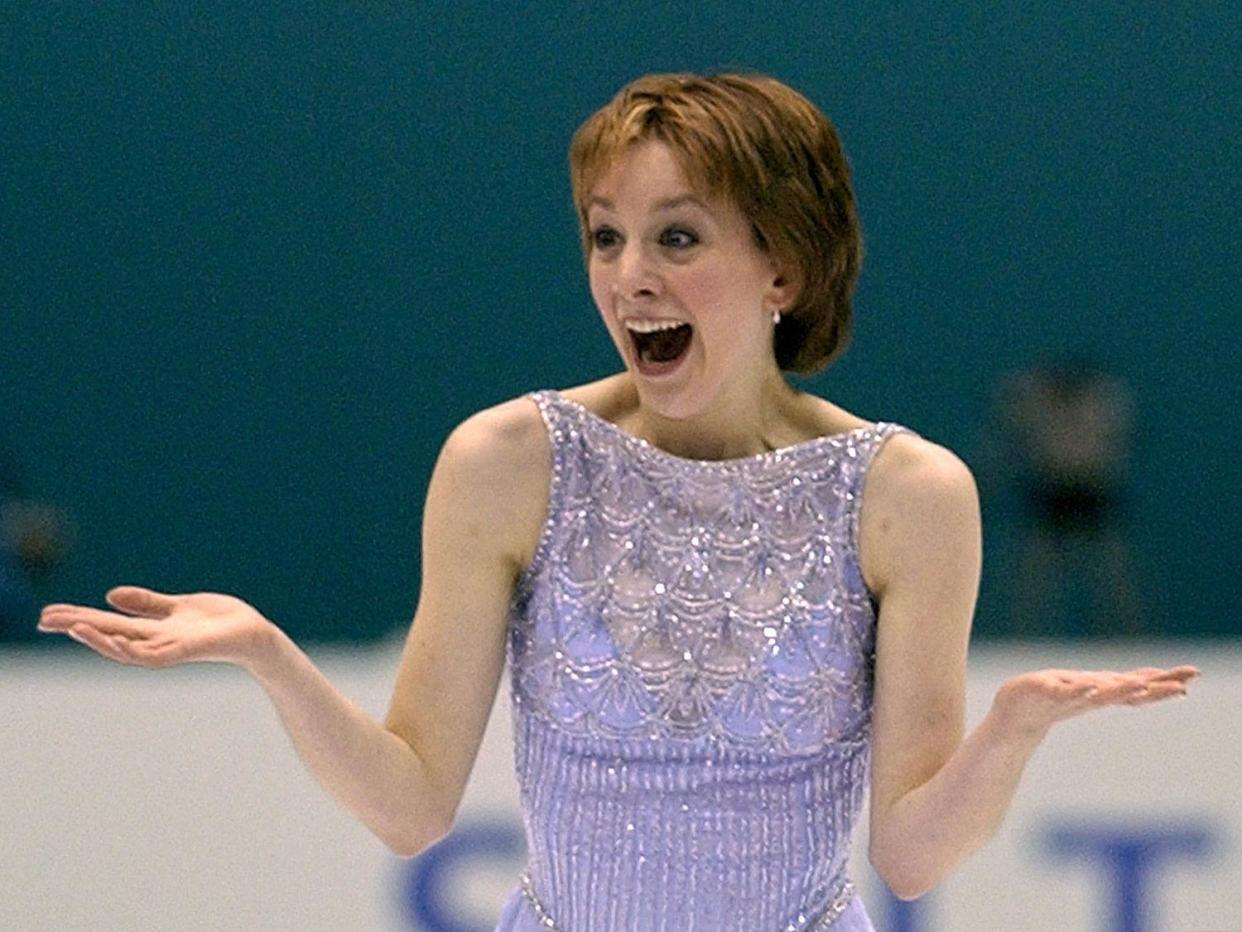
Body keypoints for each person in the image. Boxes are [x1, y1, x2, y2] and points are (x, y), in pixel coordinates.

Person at [37, 72, 1197, 931]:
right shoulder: (508, 460)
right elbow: (410, 805)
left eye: (677, 236)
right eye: (606, 236)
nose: (628, 272)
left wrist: (1013, 729)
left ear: (782, 266)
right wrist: (268, 655)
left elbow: (909, 851)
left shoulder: (905, 494)